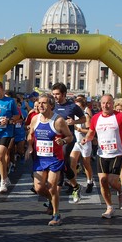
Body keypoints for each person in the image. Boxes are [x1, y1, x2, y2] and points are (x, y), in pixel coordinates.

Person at [80, 94, 122, 218]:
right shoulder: (95, 118)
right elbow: (91, 132)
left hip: (117, 153)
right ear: (100, 104)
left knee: (111, 180)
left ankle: (121, 190)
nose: (105, 105)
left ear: (112, 104)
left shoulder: (120, 117)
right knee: (102, 181)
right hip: (102, 153)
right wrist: (86, 139)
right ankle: (109, 207)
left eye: (108, 103)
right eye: (103, 103)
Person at [27, 93, 73, 225]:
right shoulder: (35, 119)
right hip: (40, 159)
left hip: (55, 159)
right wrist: (29, 147)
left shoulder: (58, 121)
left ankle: (56, 215)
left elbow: (70, 137)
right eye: (39, 103)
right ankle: (52, 201)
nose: (40, 105)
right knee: (39, 188)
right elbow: (30, 135)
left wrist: (63, 141)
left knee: (52, 187)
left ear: (51, 105)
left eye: (44, 103)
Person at [51, 83, 86, 201]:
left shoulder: (72, 106)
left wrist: (73, 122)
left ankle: (55, 195)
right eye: (54, 94)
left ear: (64, 94)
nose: (55, 96)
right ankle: (75, 186)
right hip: (54, 139)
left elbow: (84, 118)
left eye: (57, 94)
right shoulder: (52, 106)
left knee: (61, 162)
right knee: (63, 164)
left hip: (68, 139)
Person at [69, 97, 94, 204]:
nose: (76, 108)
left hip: (85, 142)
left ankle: (90, 182)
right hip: (76, 142)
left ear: (83, 106)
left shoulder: (86, 115)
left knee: (86, 164)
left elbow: (89, 130)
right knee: (72, 162)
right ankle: (73, 184)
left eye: (78, 106)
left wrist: (78, 129)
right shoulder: (74, 115)